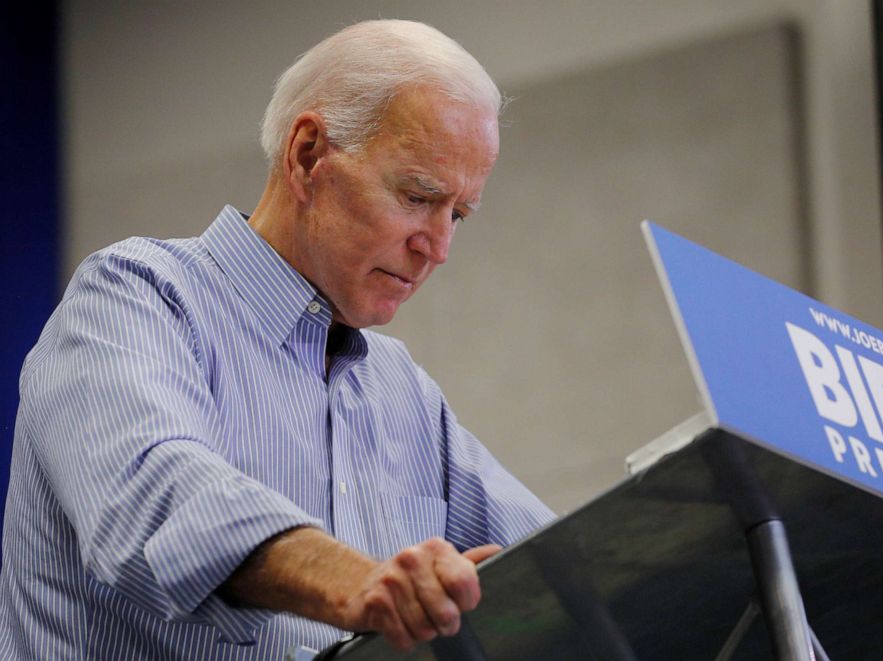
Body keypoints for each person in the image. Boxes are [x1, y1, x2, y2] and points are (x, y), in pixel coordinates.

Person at [0, 20, 555, 659]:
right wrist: (362, 583)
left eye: (456, 214)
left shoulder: (401, 389)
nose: (438, 247)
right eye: (416, 196)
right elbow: (159, 498)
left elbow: (569, 557)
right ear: (308, 154)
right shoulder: (132, 298)